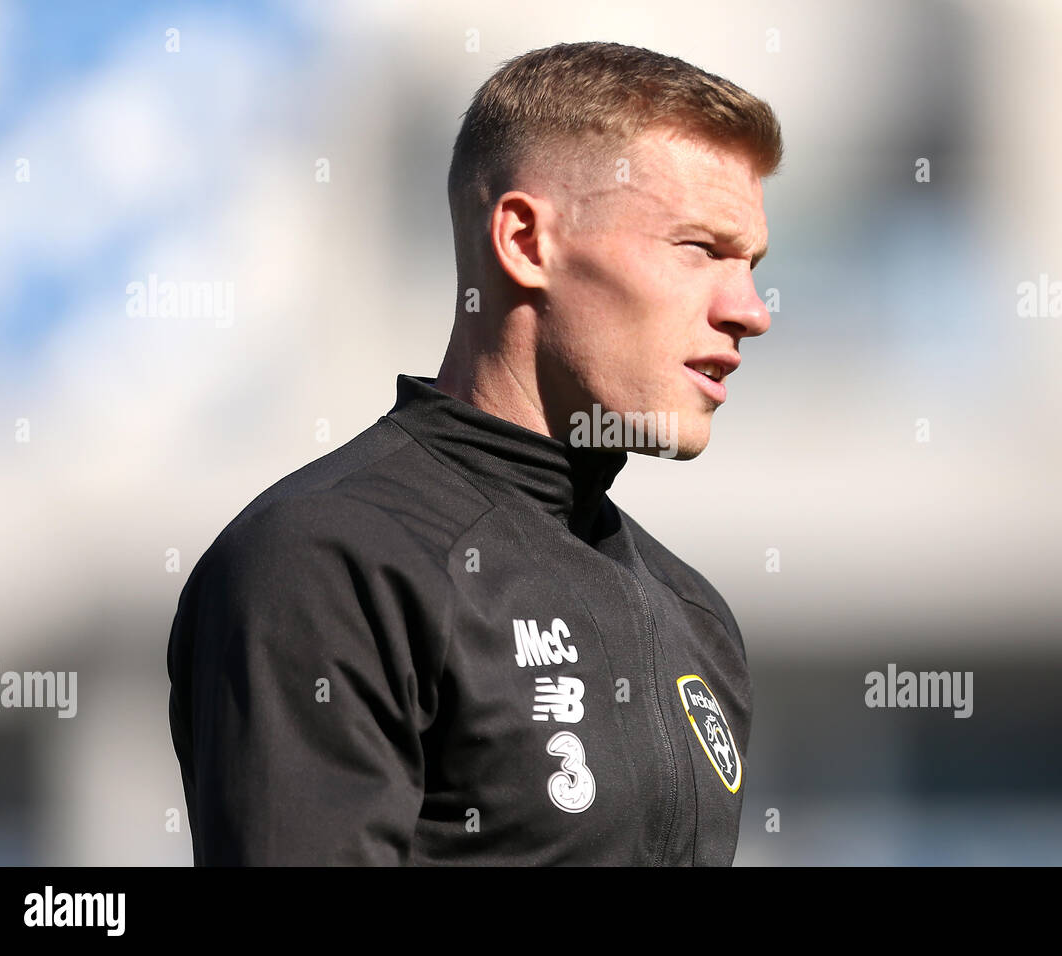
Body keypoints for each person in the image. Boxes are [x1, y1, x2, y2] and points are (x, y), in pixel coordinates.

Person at [166, 39, 782, 865]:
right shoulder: (329, 562)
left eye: (753, 264)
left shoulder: (694, 616)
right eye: (700, 249)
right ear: (526, 242)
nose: (750, 310)